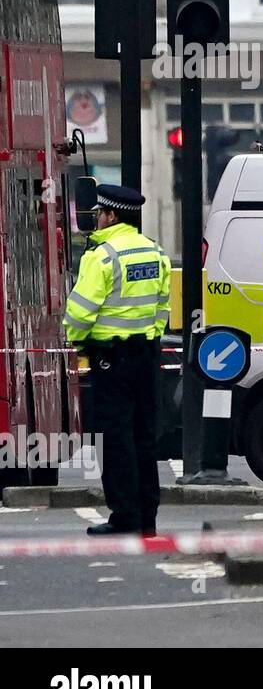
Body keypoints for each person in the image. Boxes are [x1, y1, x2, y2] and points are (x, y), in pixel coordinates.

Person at [61, 185, 171, 536]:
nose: (97, 220)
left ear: (111, 215)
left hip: (111, 360)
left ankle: (124, 516)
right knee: (144, 438)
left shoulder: (102, 257)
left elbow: (79, 313)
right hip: (146, 356)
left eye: (99, 214)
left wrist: (77, 344)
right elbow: (162, 307)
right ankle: (147, 519)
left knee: (115, 439)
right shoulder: (155, 253)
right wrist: (150, 340)